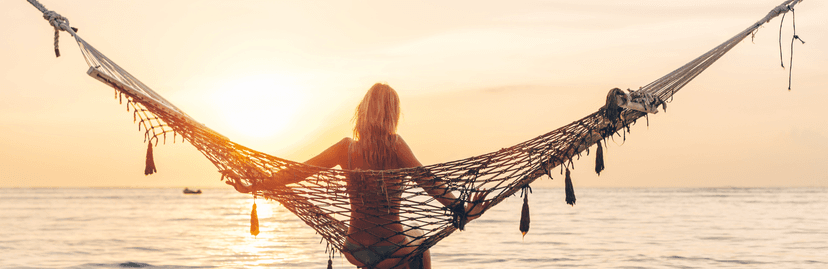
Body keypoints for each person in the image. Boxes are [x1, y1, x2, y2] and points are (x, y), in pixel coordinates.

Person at [227, 83, 489, 269]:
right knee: (421, 242)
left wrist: (256, 184)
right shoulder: (395, 145)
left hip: (356, 251)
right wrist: (461, 209)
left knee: (415, 235)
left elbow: (299, 171)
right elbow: (427, 180)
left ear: (363, 111)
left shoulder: (346, 149)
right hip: (393, 249)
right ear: (392, 115)